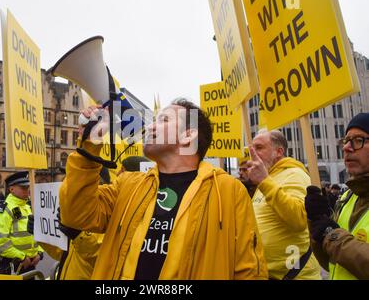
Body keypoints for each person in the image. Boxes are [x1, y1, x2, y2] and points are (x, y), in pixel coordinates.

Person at [59, 98, 267, 280]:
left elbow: (249, 270)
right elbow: (76, 215)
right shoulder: (128, 184)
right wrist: (89, 146)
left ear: (188, 136)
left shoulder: (228, 191)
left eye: (164, 120)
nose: (150, 127)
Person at [245, 130, 321, 280]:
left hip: (294, 275)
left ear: (278, 151)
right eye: (252, 149)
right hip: (266, 273)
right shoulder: (269, 176)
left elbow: (298, 219)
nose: (253, 153)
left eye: (259, 148)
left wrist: (264, 182)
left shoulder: (295, 174)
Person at [305, 112, 369, 279]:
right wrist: (317, 223)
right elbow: (330, 263)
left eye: (358, 140)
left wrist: (332, 235)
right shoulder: (348, 197)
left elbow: (335, 241)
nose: (346, 147)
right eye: (346, 141)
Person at [0, 171, 44, 275]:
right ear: (11, 189)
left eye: (28, 187)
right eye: (23, 187)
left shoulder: (28, 207)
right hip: (13, 263)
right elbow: (0, 243)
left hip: (30, 262)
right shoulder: (5, 209)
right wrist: (22, 257)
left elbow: (37, 233)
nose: (27, 190)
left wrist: (39, 253)